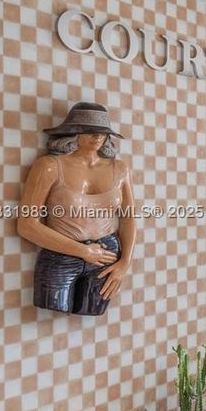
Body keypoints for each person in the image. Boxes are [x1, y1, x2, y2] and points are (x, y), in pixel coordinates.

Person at [18, 102, 137, 316]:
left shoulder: (120, 169)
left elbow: (128, 218)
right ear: (73, 132)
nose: (97, 136)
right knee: (49, 313)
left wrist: (125, 262)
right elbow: (27, 225)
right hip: (60, 256)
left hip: (107, 256)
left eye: (102, 131)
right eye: (89, 130)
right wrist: (83, 251)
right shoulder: (49, 166)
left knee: (91, 314)